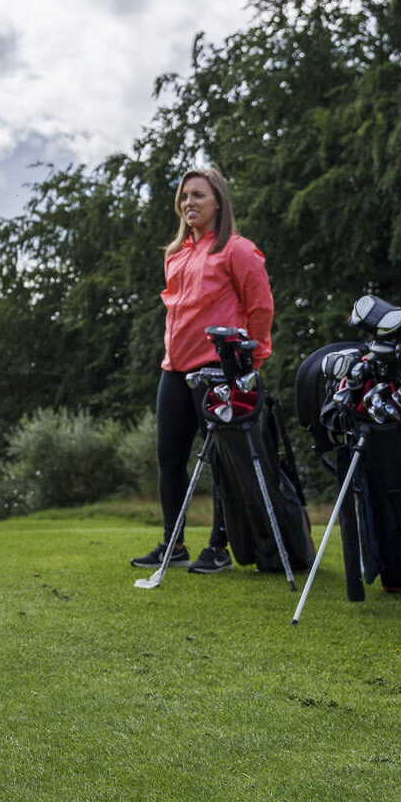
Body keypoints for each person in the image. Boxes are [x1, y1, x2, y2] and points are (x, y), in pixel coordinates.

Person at [131, 167, 274, 576]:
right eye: (184, 196)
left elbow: (260, 306)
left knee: (220, 461)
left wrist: (252, 361)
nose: (189, 203)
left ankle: (218, 547)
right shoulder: (175, 254)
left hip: (217, 370)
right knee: (169, 458)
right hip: (173, 370)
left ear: (218, 202)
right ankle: (172, 544)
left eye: (198, 195)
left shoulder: (237, 250)